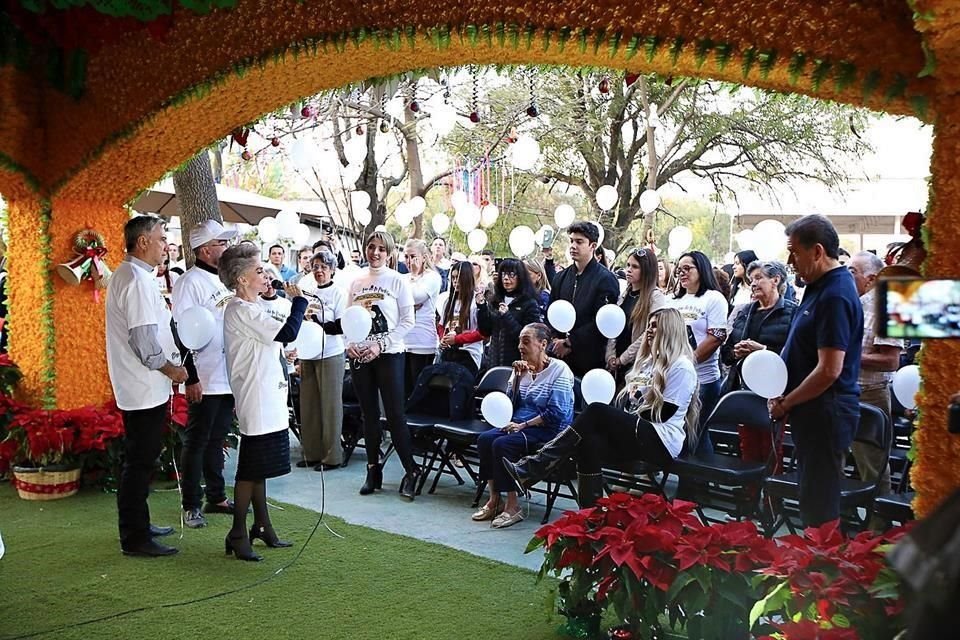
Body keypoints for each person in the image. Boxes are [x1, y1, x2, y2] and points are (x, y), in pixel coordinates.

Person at [505, 307, 700, 506]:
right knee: (587, 443)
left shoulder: (681, 366)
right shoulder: (649, 362)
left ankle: (536, 465)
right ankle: (590, 515)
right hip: (639, 432)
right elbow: (630, 402)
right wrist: (629, 408)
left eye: (655, 326)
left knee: (597, 410)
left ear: (671, 330)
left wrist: (626, 412)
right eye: (649, 325)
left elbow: (664, 413)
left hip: (661, 441)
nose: (649, 331)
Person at [769, 214, 864, 527]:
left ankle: (820, 570)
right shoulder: (816, 286)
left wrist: (788, 401)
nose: (790, 261)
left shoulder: (835, 294)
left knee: (819, 504)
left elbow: (829, 370)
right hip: (809, 412)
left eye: (794, 252)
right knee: (810, 495)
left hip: (825, 411)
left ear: (818, 251)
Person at [106, 215, 188, 557]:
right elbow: (143, 342)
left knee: (141, 459)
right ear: (143, 242)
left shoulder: (131, 275)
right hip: (143, 386)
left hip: (140, 386)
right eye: (160, 238)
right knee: (140, 462)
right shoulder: (136, 280)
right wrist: (173, 371)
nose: (165, 245)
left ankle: (139, 524)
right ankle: (135, 537)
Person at [221, 241, 308, 561]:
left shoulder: (252, 307)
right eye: (258, 271)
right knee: (251, 466)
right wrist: (299, 302)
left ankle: (261, 524)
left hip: (268, 391)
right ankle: (237, 531)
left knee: (260, 465)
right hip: (255, 394)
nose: (266, 275)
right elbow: (288, 332)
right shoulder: (240, 309)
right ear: (242, 279)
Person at [323, 231, 420, 499]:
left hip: (389, 354)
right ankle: (372, 469)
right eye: (371, 247)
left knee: (394, 414)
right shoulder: (356, 282)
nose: (375, 253)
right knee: (368, 415)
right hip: (360, 355)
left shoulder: (398, 280)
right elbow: (348, 319)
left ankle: (411, 470)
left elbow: (407, 321)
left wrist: (382, 344)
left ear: (389, 253)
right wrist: (349, 344)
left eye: (381, 249)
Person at [171, 219, 238, 530]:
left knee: (216, 439)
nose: (225, 248)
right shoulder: (189, 282)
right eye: (220, 244)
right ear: (205, 249)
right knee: (197, 441)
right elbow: (182, 330)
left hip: (227, 374)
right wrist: (192, 376)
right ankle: (191, 504)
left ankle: (216, 495)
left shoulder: (224, 281)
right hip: (206, 375)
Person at [474, 323, 575, 529]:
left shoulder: (559, 370)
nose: (520, 346)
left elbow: (557, 413)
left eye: (526, 341)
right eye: (520, 340)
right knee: (485, 439)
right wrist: (518, 379)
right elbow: (509, 406)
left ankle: (513, 506)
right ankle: (495, 500)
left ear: (543, 344)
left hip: (549, 430)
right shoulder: (521, 369)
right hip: (519, 423)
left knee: (502, 444)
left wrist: (522, 426)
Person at [719, 260, 797, 466]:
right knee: (748, 448)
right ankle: (749, 494)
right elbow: (725, 353)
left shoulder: (792, 313)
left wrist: (762, 351)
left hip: (776, 392)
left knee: (772, 449)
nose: (753, 283)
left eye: (759, 278)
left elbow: (796, 356)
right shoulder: (744, 312)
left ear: (776, 280)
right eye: (751, 279)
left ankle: (772, 497)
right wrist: (735, 352)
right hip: (745, 388)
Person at [848, 250, 902, 525]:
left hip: (870, 397)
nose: (846, 275)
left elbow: (891, 361)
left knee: (873, 470)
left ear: (871, 278)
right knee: (839, 466)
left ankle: (878, 535)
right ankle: (842, 529)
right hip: (843, 394)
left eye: (852, 271)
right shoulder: (851, 303)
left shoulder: (885, 308)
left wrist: (846, 356)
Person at [670, 250, 729, 454]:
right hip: (675, 379)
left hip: (703, 380)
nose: (682, 273)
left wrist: (687, 363)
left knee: (696, 434)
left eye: (688, 268)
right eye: (679, 270)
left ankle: (698, 483)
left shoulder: (713, 299)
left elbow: (716, 338)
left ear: (702, 269)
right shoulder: (673, 301)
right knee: (681, 433)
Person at [547, 221, 620, 377]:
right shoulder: (561, 277)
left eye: (579, 242)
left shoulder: (605, 279)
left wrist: (570, 342)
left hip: (589, 360)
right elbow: (552, 310)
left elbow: (601, 322)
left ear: (593, 246)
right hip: (559, 358)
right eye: (571, 241)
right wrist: (555, 339)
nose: (573, 246)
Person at [297, 250, 347, 471]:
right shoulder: (308, 291)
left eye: (323, 267)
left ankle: (332, 456)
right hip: (309, 353)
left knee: (329, 406)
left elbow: (340, 326)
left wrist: (317, 321)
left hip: (330, 352)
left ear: (332, 270)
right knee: (308, 405)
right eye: (315, 267)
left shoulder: (339, 293)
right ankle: (312, 452)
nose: (319, 271)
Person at [606, 247, 667, 384]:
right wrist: (610, 355)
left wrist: (623, 358)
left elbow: (650, 332)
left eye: (635, 267)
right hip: (616, 362)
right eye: (628, 265)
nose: (629, 270)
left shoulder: (655, 297)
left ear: (646, 270)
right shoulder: (625, 294)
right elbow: (613, 326)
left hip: (638, 363)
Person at [477, 258, 542, 369]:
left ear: (521, 277)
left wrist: (507, 316)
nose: (506, 279)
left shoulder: (529, 303)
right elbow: (485, 331)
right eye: (503, 275)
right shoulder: (495, 300)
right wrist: (482, 307)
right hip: (494, 363)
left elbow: (528, 338)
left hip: (518, 365)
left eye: (512, 275)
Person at [402, 239, 442, 395]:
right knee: (403, 390)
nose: (409, 261)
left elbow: (417, 296)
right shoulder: (403, 278)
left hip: (423, 341)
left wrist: (407, 302)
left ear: (423, 257)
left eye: (413, 256)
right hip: (403, 340)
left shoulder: (432, 277)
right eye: (406, 256)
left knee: (418, 389)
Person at [439, 261, 484, 379]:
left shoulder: (475, 302)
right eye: (453, 278)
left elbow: (482, 333)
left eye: (459, 278)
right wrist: (442, 338)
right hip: (449, 352)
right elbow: (441, 325)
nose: (455, 281)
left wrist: (457, 339)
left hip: (469, 354)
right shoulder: (448, 302)